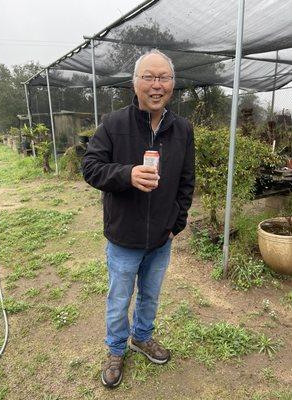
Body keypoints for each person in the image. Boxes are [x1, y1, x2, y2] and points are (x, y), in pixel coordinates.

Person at [82, 49, 195, 388]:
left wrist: (177, 223)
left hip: (162, 237)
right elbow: (90, 167)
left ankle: (141, 337)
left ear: (173, 84)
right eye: (148, 77)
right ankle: (116, 349)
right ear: (135, 83)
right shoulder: (114, 125)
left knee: (150, 294)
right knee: (119, 298)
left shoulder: (183, 129)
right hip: (123, 237)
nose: (156, 85)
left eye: (164, 78)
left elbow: (187, 181)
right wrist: (127, 174)